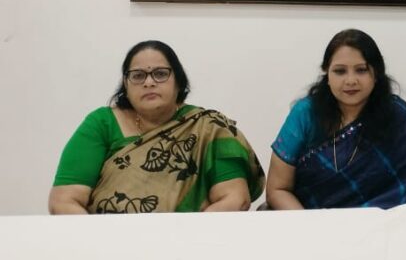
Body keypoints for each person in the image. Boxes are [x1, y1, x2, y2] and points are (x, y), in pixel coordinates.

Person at [49, 41, 265, 214]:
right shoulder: (102, 123)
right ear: (126, 85)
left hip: (190, 243)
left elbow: (234, 199)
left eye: (160, 74)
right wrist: (102, 243)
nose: (149, 82)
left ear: (178, 81)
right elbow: (64, 201)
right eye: (138, 75)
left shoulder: (209, 127)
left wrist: (185, 239)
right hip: (109, 243)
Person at [266, 29, 406, 209]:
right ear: (327, 74)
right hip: (313, 220)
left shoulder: (397, 115)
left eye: (361, 70)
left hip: (387, 221)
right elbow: (278, 189)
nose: (351, 80)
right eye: (340, 71)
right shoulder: (306, 114)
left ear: (376, 74)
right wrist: (311, 223)